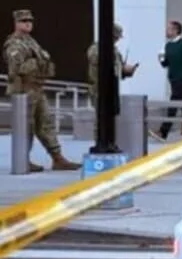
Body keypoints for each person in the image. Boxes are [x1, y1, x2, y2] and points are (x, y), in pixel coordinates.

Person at [2, 9, 81, 171]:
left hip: (37, 88)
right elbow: (16, 69)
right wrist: (35, 64)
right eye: (24, 21)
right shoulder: (14, 44)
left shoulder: (31, 42)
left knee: (46, 124)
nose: (28, 24)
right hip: (23, 90)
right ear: (16, 23)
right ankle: (23, 159)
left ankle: (57, 158)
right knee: (26, 127)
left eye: (30, 21)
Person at [157, 20, 182, 139]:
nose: (167, 31)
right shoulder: (168, 45)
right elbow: (166, 64)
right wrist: (161, 59)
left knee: (173, 103)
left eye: (169, 29)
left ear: (175, 30)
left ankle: (163, 131)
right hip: (173, 77)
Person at [86, 23, 138, 107]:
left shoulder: (116, 51)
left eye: (117, 38)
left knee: (112, 116)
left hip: (112, 89)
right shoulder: (95, 48)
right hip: (99, 90)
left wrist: (126, 70)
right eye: (115, 37)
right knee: (102, 115)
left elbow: (117, 68)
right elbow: (95, 59)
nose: (117, 40)